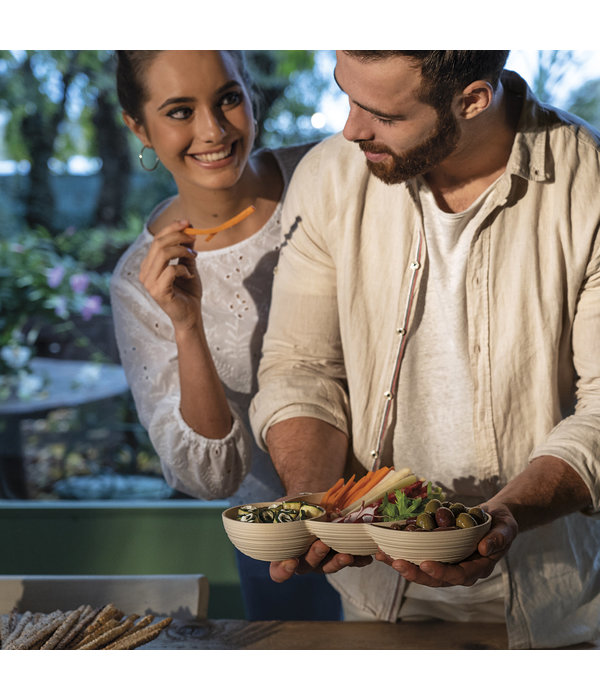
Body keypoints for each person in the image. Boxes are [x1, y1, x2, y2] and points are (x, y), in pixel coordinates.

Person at [249, 50, 600, 649]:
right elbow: (301, 368)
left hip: (553, 600)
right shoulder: (329, 175)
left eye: (382, 113)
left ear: (472, 100)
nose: (351, 128)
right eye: (346, 92)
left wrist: (504, 517)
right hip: (374, 596)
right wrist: (315, 499)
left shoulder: (589, 181)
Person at [109, 50, 342, 621]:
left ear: (250, 96)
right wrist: (187, 326)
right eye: (179, 111)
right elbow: (213, 478)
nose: (212, 130)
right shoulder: (139, 283)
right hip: (286, 545)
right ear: (138, 126)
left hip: (408, 508)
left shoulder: (329, 175)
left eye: (228, 99)